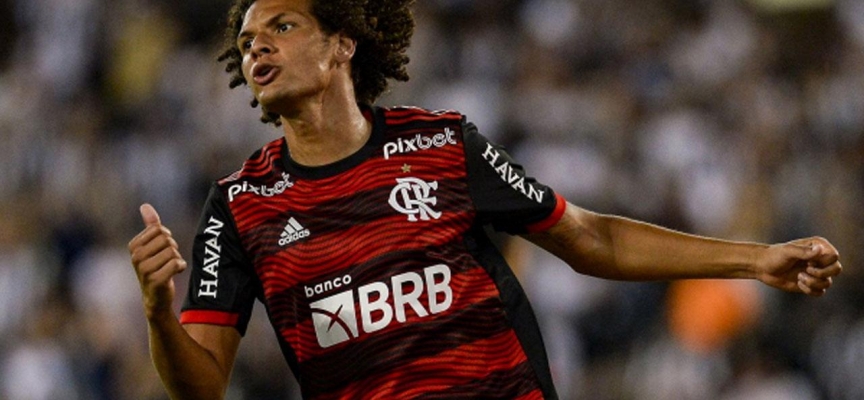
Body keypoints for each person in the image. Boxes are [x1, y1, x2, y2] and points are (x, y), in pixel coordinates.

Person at [127, 0, 843, 398]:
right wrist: (159, 310)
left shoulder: (441, 145)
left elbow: (590, 239)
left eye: (281, 27)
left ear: (342, 44)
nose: (257, 47)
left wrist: (756, 260)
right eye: (247, 40)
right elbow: (202, 388)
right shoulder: (240, 204)